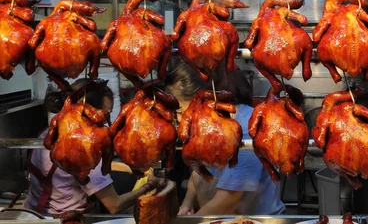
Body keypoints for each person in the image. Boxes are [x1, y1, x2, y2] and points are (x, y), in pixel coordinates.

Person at [24, 79, 165, 216]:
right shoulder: (85, 150)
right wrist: (148, 187)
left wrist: (131, 169)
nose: (108, 121)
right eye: (106, 113)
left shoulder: (48, 133)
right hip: (67, 218)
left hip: (33, 214)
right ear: (90, 112)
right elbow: (114, 205)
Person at [168, 61, 285, 215]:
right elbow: (199, 171)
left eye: (182, 112)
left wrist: (191, 222)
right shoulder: (207, 128)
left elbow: (229, 200)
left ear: (206, 99)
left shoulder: (245, 127)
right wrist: (187, 204)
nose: (180, 120)